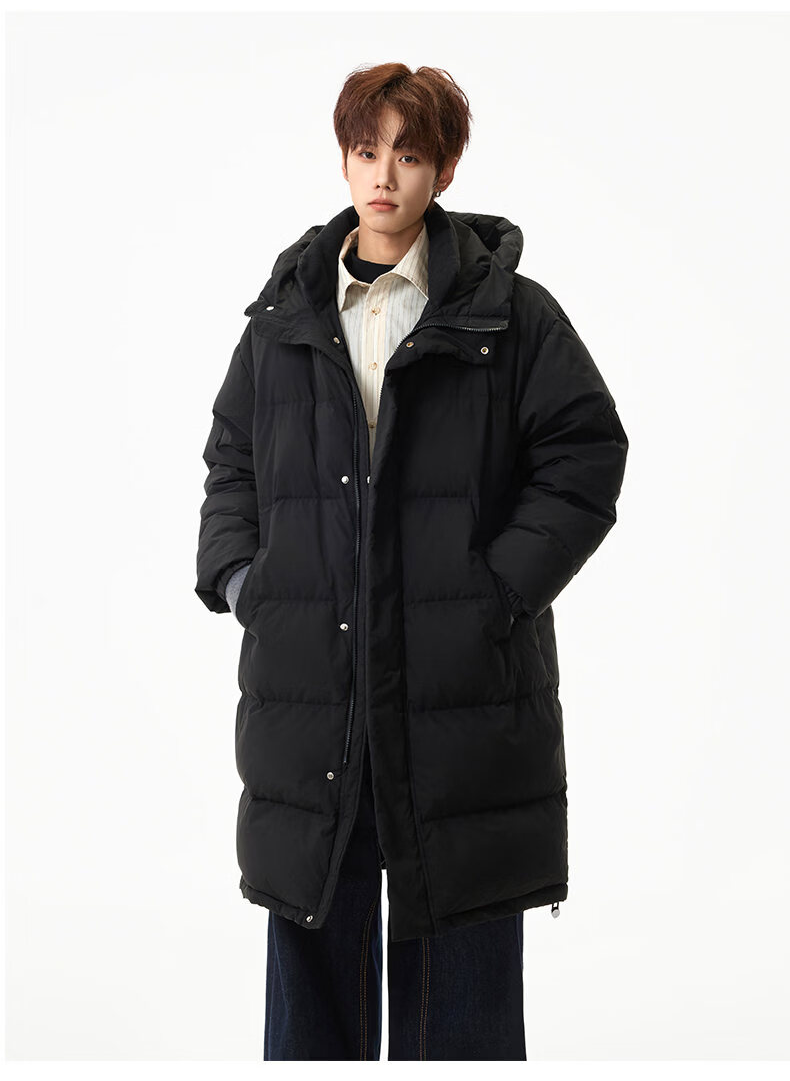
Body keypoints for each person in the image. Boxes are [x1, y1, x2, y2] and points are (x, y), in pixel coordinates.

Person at [195, 62, 629, 1060]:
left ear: (444, 168)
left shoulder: (512, 316)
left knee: (463, 991)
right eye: (366, 150)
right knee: (313, 992)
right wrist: (247, 583)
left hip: (459, 697)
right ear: (344, 160)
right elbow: (231, 461)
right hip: (313, 696)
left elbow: (585, 453)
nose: (384, 175)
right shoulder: (281, 321)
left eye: (409, 153)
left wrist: (498, 591)